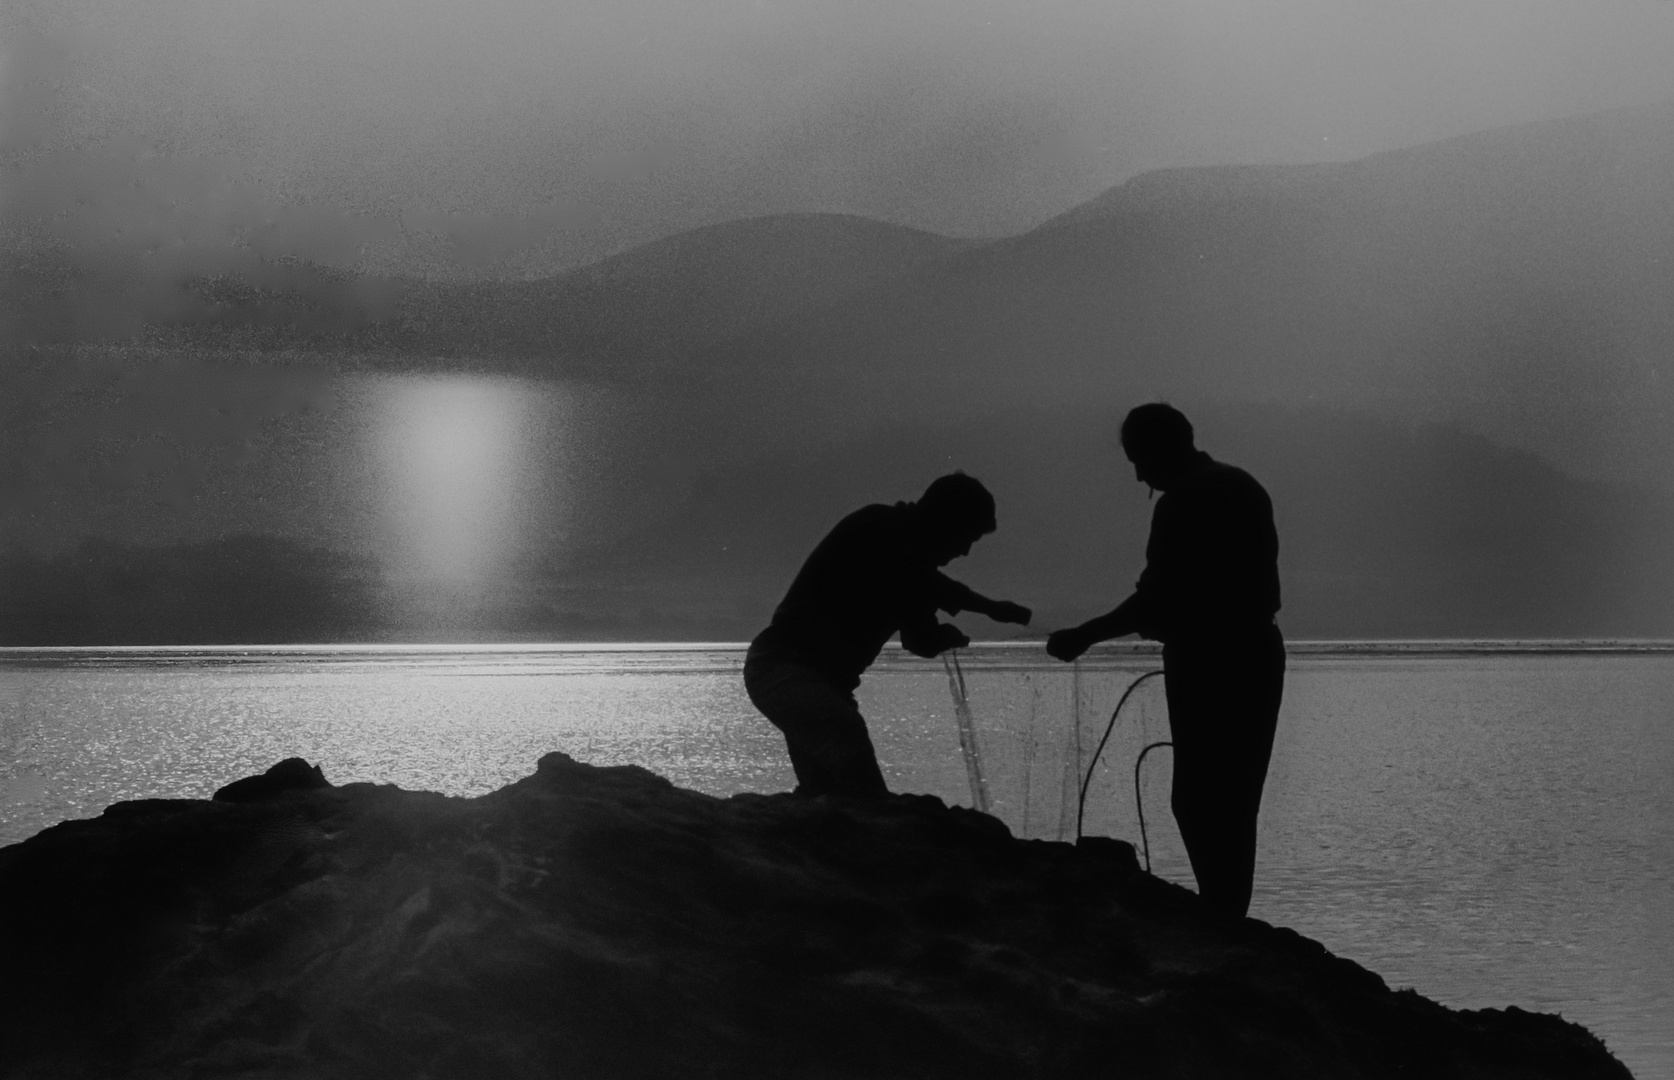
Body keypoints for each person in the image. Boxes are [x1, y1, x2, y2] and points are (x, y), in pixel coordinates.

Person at [1047, 403, 1283, 920]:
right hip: (1256, 653)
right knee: (1235, 797)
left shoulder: (1185, 500)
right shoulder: (1242, 485)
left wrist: (1086, 635)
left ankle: (1221, 914)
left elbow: (1156, 597)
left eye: (1138, 460)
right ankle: (1228, 912)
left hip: (1210, 658)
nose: (1138, 474)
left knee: (1199, 798)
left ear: (1162, 448)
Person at [745, 472, 1032, 797]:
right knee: (851, 753)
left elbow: (919, 639)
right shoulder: (879, 527)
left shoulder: (913, 568)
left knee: (828, 793)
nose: (964, 552)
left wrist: (944, 638)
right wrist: (991, 608)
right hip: (781, 669)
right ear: (945, 521)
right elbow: (926, 583)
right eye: (966, 537)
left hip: (823, 685)